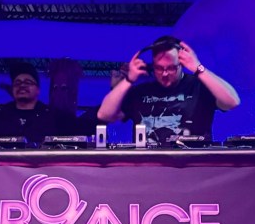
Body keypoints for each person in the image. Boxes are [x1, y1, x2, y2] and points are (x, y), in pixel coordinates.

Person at [96, 36, 240, 146]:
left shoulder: (200, 86)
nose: (164, 74)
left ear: (182, 64)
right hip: (149, 167)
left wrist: (198, 68)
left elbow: (232, 102)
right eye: (159, 68)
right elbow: (104, 114)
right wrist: (129, 80)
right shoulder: (140, 92)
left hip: (194, 167)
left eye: (171, 68)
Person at [0, 63, 78, 145]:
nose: (22, 85)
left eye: (28, 82)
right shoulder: (0, 117)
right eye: (17, 83)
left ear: (38, 90)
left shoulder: (53, 117)